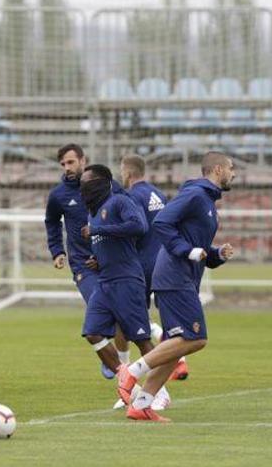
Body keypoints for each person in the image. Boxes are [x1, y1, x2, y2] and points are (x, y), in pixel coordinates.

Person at [117, 152, 236, 422]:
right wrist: (188, 251)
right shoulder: (196, 194)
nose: (234, 174)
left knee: (177, 344)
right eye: (231, 168)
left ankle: (142, 404)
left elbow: (198, 248)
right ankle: (132, 371)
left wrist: (216, 254)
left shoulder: (206, 200)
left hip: (182, 277)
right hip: (174, 277)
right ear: (218, 170)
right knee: (196, 339)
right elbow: (161, 222)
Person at [78, 164, 169, 405]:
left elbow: (139, 226)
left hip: (127, 279)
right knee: (93, 332)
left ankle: (160, 393)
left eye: (88, 182)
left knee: (140, 338)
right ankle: (129, 383)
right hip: (105, 281)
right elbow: (106, 242)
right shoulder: (93, 211)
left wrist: (99, 229)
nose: (83, 187)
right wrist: (97, 260)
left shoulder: (120, 201)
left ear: (102, 182)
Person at [44, 143, 127, 379]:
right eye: (63, 164)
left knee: (121, 312)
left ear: (83, 160)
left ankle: (116, 359)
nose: (67, 168)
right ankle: (111, 357)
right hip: (83, 264)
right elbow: (51, 222)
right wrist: (57, 250)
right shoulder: (59, 195)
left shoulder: (110, 187)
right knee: (99, 304)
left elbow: (128, 212)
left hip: (112, 259)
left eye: (71, 162)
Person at [120, 154, 188, 381]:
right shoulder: (157, 194)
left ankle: (126, 370)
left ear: (128, 173)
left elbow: (135, 229)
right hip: (164, 262)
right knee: (166, 314)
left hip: (141, 264)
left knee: (132, 317)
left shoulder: (130, 196)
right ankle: (180, 358)